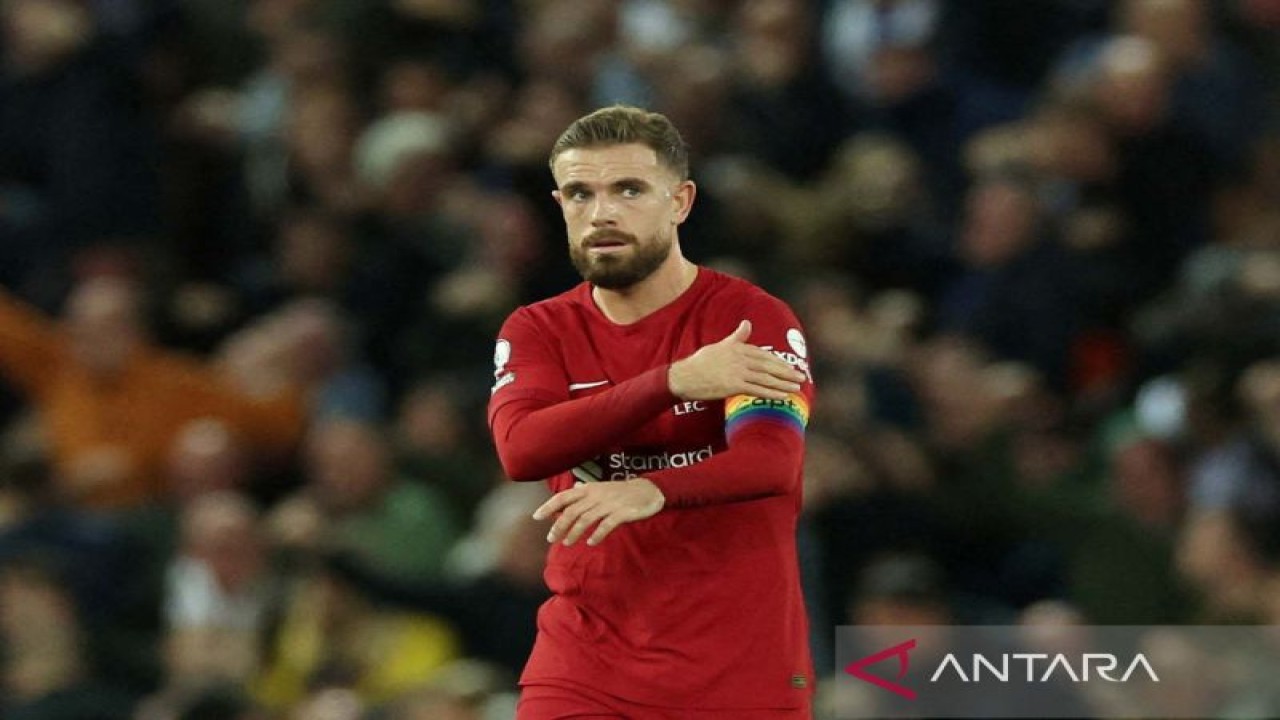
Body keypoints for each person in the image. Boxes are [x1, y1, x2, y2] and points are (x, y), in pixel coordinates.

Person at [487, 105, 816, 719]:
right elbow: (523, 449)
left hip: (738, 672)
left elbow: (771, 462)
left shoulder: (750, 321)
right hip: (585, 665)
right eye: (580, 193)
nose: (602, 213)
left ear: (681, 201)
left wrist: (651, 490)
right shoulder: (539, 330)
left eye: (629, 190)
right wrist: (672, 382)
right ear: (559, 204)